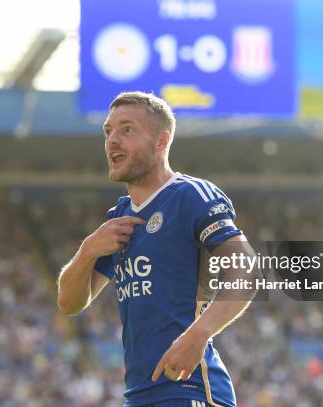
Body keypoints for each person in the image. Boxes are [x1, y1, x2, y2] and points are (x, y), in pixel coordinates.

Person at [57, 91, 256, 407]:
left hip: (189, 389)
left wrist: (199, 333)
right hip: (138, 396)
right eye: (108, 131)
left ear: (162, 142)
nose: (112, 141)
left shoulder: (190, 195)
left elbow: (247, 269)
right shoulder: (119, 218)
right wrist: (87, 252)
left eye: (127, 129)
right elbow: (69, 303)